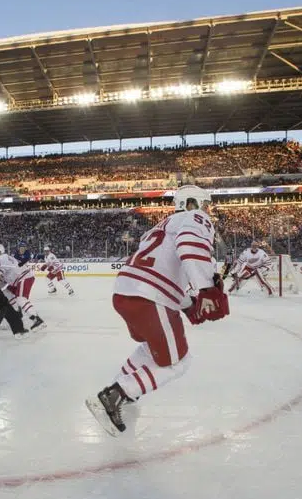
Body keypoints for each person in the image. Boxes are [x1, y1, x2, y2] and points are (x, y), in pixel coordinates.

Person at [85, 186, 229, 436]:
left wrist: (188, 306)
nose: (208, 210)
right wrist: (207, 289)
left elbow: (168, 267)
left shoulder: (160, 226)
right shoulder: (196, 218)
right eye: (205, 204)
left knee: (151, 347)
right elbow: (190, 246)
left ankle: (125, 391)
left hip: (125, 291)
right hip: (151, 296)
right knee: (179, 361)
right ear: (194, 203)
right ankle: (116, 395)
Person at [0, 243, 45, 331]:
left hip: (22, 277)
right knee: (8, 293)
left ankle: (37, 319)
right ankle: (17, 313)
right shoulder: (7, 256)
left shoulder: (0, 260)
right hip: (21, 278)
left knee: (21, 299)